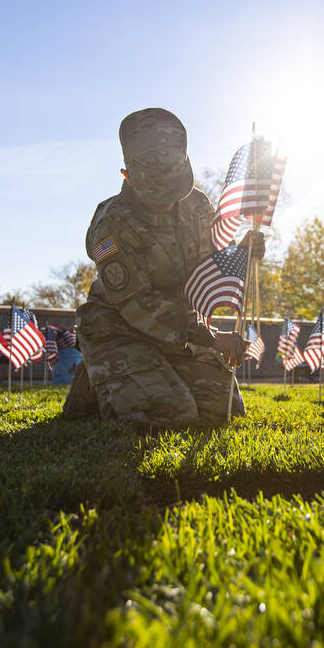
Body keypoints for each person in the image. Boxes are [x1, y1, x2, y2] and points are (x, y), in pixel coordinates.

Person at [63, 108, 261, 427]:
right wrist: (208, 338)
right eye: (156, 193)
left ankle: (145, 372)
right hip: (120, 326)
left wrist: (243, 252)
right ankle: (97, 373)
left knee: (221, 411)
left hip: (179, 329)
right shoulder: (112, 223)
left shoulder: (197, 206)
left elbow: (208, 262)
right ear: (127, 176)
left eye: (173, 189)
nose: (167, 202)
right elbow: (135, 304)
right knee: (171, 413)